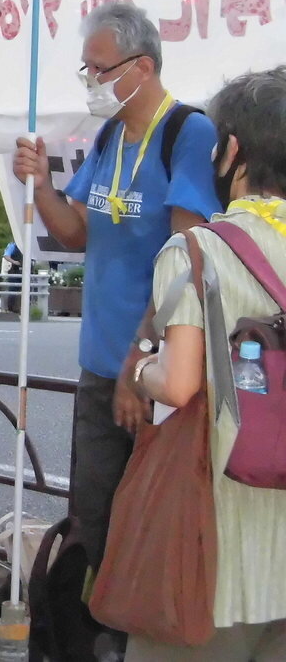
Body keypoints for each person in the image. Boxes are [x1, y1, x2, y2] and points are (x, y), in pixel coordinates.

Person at [12, 1, 221, 571]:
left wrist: (140, 359)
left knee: (152, 534)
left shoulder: (188, 132)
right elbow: (76, 233)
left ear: (143, 67)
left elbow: (187, 261)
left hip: (158, 370)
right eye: (86, 69)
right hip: (99, 367)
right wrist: (41, 185)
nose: (91, 82)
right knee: (94, 523)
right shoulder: (109, 135)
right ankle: (91, 620)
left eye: (100, 69)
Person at [125, 68, 286, 660]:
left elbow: (179, 384)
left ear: (233, 151)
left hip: (219, 541)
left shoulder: (197, 250)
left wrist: (140, 369)